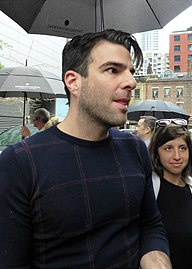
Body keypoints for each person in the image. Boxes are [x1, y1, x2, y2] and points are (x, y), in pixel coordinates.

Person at [0, 29, 172, 269]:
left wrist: (158, 261)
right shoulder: (19, 162)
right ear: (73, 82)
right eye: (112, 70)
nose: (131, 82)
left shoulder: (134, 148)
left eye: (131, 72)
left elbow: (150, 226)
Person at [148, 118, 192, 269]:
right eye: (168, 148)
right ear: (156, 152)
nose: (177, 156)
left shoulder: (190, 187)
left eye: (182, 148)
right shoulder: (149, 189)